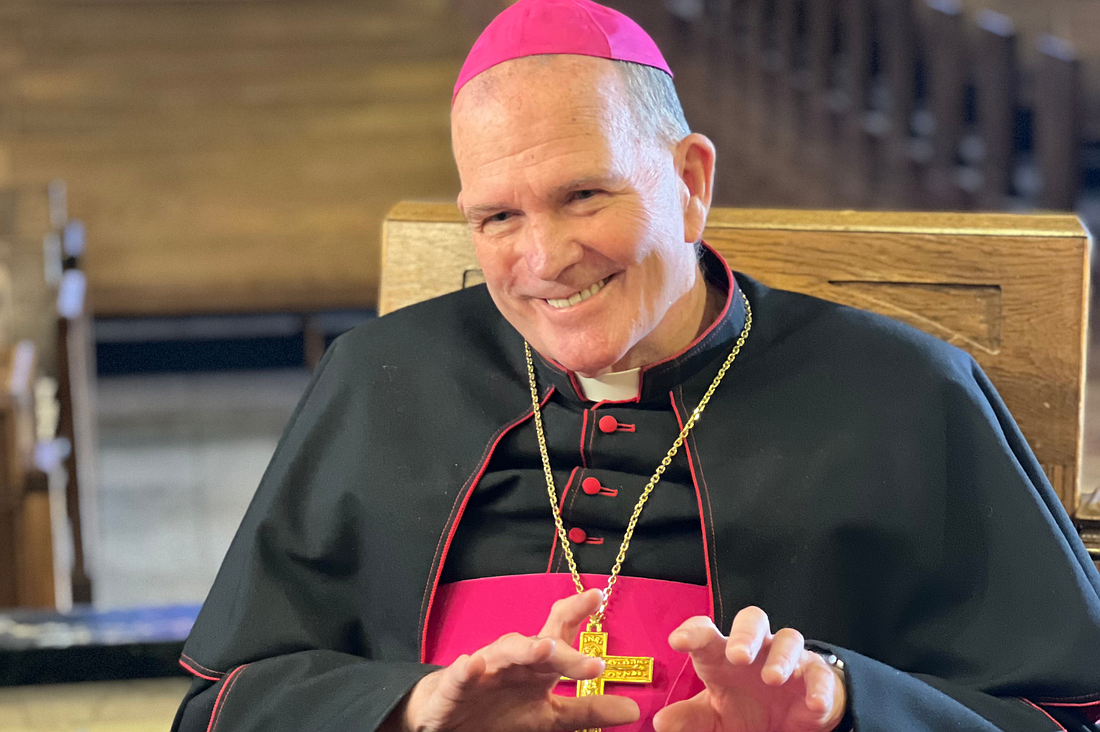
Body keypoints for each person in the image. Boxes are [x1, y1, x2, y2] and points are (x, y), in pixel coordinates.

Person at [172, 1, 1100, 730]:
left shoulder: (907, 392)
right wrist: (412, 711)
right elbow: (225, 703)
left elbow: (1063, 713)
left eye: (583, 196)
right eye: (498, 217)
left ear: (690, 183)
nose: (542, 261)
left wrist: (847, 708)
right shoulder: (377, 380)